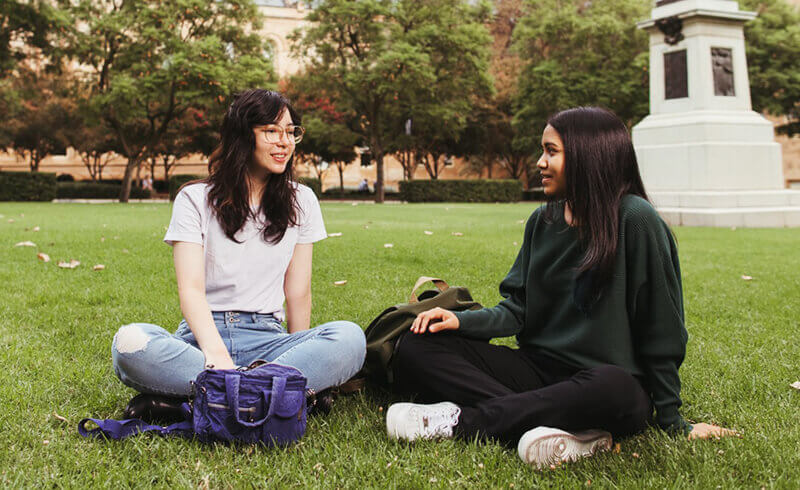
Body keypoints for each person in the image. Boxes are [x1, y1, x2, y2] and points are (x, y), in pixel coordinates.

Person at [385, 107, 737, 468]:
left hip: (607, 384)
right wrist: (460, 322)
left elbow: (662, 333)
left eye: (551, 151)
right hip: (537, 371)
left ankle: (463, 422)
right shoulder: (543, 220)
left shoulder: (636, 219)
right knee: (417, 344)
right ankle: (556, 427)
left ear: (588, 156)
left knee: (615, 389)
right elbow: (517, 309)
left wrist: (672, 420)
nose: (540, 162)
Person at [111, 89, 366, 421]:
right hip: (200, 342)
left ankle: (201, 400)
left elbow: (298, 292)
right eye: (271, 131)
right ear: (243, 136)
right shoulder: (195, 198)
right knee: (129, 343)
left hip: (267, 340)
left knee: (350, 337)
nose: (285, 142)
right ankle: (274, 395)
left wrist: (296, 352)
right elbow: (190, 290)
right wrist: (217, 357)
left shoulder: (302, 200)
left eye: (291, 132)